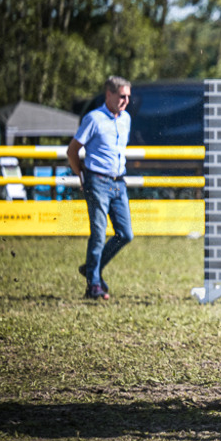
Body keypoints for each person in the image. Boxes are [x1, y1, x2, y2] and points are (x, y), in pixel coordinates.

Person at [67, 76, 134, 300]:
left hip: (118, 181)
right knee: (98, 233)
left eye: (128, 97)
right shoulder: (93, 118)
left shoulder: (126, 119)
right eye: (122, 96)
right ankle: (93, 284)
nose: (125, 101)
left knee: (125, 234)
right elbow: (73, 151)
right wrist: (82, 175)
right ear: (109, 94)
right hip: (97, 180)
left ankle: (90, 269)